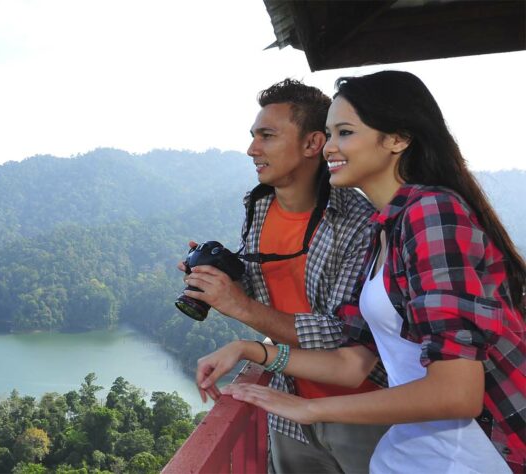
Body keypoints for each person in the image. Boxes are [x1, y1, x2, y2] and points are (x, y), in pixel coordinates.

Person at [197, 70, 526, 473]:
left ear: (398, 139)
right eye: (330, 133)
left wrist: (311, 409)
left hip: (470, 459)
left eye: (345, 133)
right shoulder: (385, 228)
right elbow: (353, 363)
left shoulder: (432, 213)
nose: (330, 146)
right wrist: (252, 351)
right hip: (408, 456)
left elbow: (458, 393)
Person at [180, 79, 388, 473]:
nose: (252, 149)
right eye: (253, 136)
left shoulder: (359, 222)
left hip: (362, 405)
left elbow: (343, 335)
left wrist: (239, 308)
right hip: (287, 400)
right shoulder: (259, 208)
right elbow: (265, 297)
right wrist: (223, 285)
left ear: (312, 144)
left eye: (267, 136)